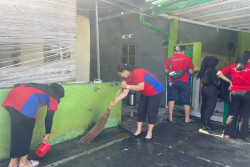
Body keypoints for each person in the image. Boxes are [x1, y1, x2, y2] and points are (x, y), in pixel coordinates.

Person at [2, 83, 64, 167]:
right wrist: (48, 133)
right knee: (26, 134)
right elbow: (49, 116)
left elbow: (17, 85)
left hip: (13, 98)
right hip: (26, 101)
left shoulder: (41, 87)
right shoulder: (54, 95)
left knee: (16, 133)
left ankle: (13, 162)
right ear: (59, 94)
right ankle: (23, 163)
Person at [110, 64, 165, 142]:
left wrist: (128, 86)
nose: (121, 76)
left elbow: (140, 87)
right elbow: (124, 93)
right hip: (145, 93)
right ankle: (138, 131)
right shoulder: (127, 79)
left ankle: (149, 132)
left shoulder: (137, 72)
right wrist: (114, 101)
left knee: (151, 111)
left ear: (124, 71)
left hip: (156, 91)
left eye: (121, 74)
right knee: (141, 110)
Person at [217, 51, 250, 141]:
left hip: (234, 93)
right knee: (244, 115)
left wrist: (230, 81)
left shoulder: (233, 66)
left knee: (232, 114)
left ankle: (227, 134)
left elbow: (219, 73)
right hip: (247, 93)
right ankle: (240, 137)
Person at [165, 46, 199, 123]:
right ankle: (187, 119)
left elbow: (166, 71)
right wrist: (195, 71)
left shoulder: (169, 60)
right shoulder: (188, 59)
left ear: (174, 52)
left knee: (171, 99)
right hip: (185, 82)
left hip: (172, 82)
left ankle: (170, 118)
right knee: (186, 100)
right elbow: (191, 72)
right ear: (183, 51)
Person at [197, 56, 219, 130]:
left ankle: (203, 122)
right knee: (209, 107)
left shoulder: (204, 69)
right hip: (211, 90)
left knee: (204, 106)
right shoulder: (212, 70)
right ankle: (206, 124)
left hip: (204, 89)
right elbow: (215, 82)